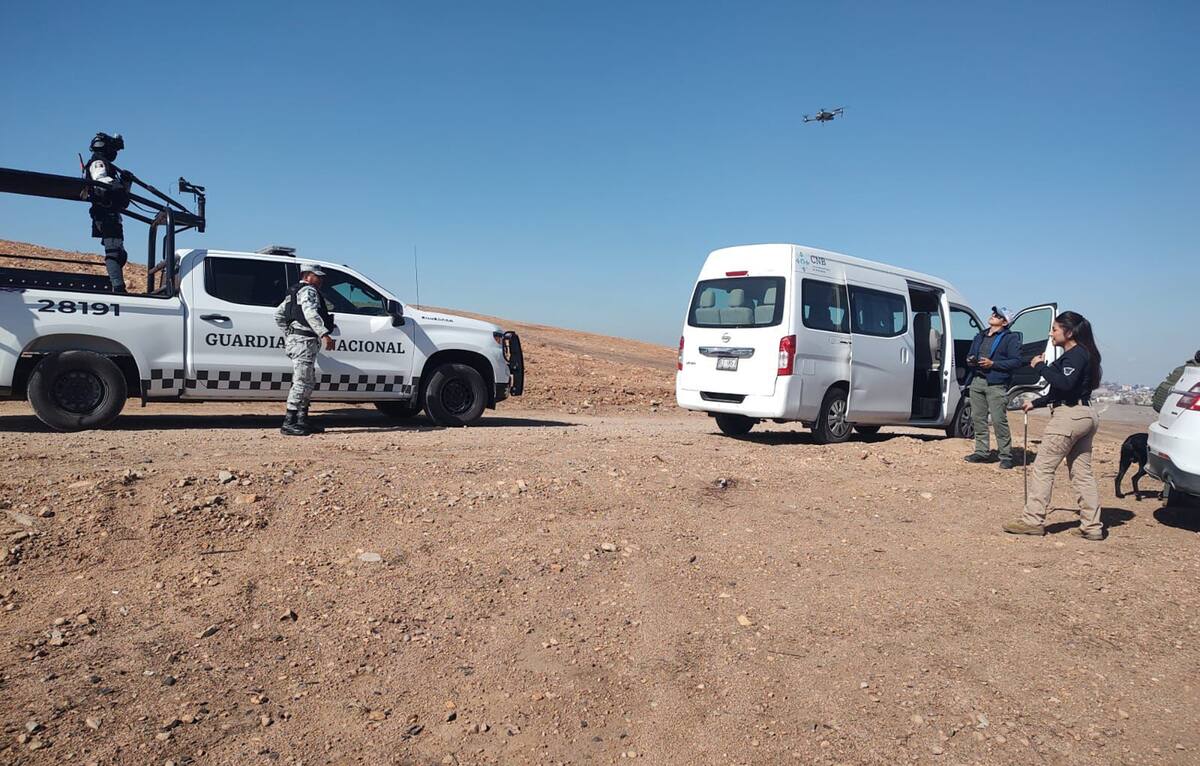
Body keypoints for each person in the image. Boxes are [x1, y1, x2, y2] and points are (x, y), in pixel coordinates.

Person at [1003, 311, 1104, 540]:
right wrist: (1035, 402)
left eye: (1055, 329)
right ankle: (1092, 526)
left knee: (1043, 468)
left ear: (1069, 332)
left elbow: (1065, 383)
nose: (1051, 334)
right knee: (1082, 474)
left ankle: (1032, 520)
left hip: (1069, 418)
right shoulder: (1083, 354)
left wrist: (1040, 366)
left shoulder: (1075, 355)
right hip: (1085, 415)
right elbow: (1063, 390)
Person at [273, 264, 336, 436]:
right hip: (304, 341)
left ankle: (302, 420)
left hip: (301, 341)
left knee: (308, 380)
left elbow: (279, 315)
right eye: (317, 276)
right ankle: (289, 422)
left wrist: (290, 334)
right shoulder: (308, 291)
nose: (321, 280)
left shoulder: (294, 292)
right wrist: (324, 334)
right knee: (301, 381)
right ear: (307, 275)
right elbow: (310, 313)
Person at [962, 306, 1023, 468]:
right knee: (978, 418)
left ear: (1005, 322)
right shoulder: (980, 336)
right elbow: (970, 354)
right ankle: (981, 452)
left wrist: (993, 364)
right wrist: (970, 360)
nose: (993, 315)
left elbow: (1016, 361)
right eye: (994, 313)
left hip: (996, 384)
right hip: (977, 380)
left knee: (998, 420)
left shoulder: (1010, 338)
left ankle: (1006, 456)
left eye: (997, 315)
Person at [84, 132, 132, 293]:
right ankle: (118, 288)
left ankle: (117, 285)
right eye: (114, 149)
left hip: (111, 214)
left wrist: (125, 182)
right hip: (105, 214)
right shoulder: (98, 162)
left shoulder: (106, 164)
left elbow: (122, 198)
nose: (115, 153)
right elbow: (100, 180)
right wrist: (117, 185)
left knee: (120, 254)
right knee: (113, 252)